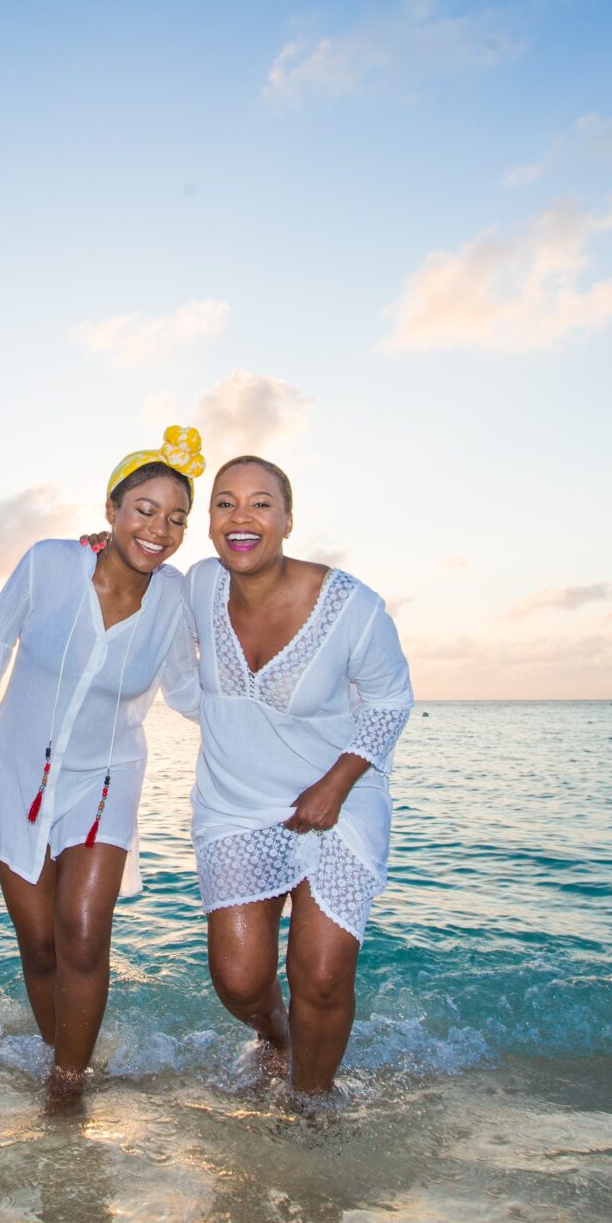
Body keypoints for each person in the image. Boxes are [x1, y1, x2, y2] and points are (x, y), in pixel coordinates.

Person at [0, 426, 206, 1100]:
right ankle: (58, 1052)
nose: (159, 529)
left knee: (80, 930)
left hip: (108, 774)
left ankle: (69, 1085)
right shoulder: (47, 564)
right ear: (111, 510)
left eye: (177, 519)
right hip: (17, 772)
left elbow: (189, 689)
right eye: (145, 509)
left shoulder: (176, 597)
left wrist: (276, 723)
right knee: (40, 943)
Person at [183, 455, 413, 1097]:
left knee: (321, 972)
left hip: (337, 796)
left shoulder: (351, 606)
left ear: (287, 519)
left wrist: (336, 783)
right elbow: (133, 584)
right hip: (235, 803)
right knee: (238, 980)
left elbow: (392, 700)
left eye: (260, 502)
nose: (242, 517)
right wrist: (102, 547)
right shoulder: (198, 586)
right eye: (225, 503)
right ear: (209, 524)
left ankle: (311, 1103)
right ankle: (280, 1039)